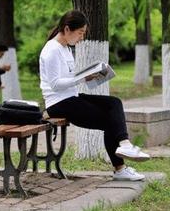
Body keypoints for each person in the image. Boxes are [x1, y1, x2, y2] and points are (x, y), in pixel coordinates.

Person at [39, 10, 150, 181]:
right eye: (80, 33)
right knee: (110, 121)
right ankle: (120, 168)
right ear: (67, 29)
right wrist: (81, 78)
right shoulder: (52, 50)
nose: (81, 37)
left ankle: (125, 145)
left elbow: (69, 79)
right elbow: (55, 84)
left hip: (72, 97)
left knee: (114, 103)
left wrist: (89, 75)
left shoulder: (66, 48)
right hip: (58, 103)